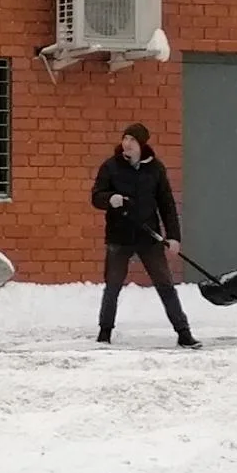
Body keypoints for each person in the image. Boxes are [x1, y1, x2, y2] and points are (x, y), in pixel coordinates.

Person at [89, 122, 200, 349]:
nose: (127, 144)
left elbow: (166, 204)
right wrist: (110, 199)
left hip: (149, 236)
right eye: (125, 138)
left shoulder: (155, 169)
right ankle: (104, 332)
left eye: (132, 140)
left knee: (165, 284)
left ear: (141, 144)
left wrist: (174, 236)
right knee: (113, 286)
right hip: (119, 236)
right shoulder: (111, 167)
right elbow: (96, 196)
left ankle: (183, 332)